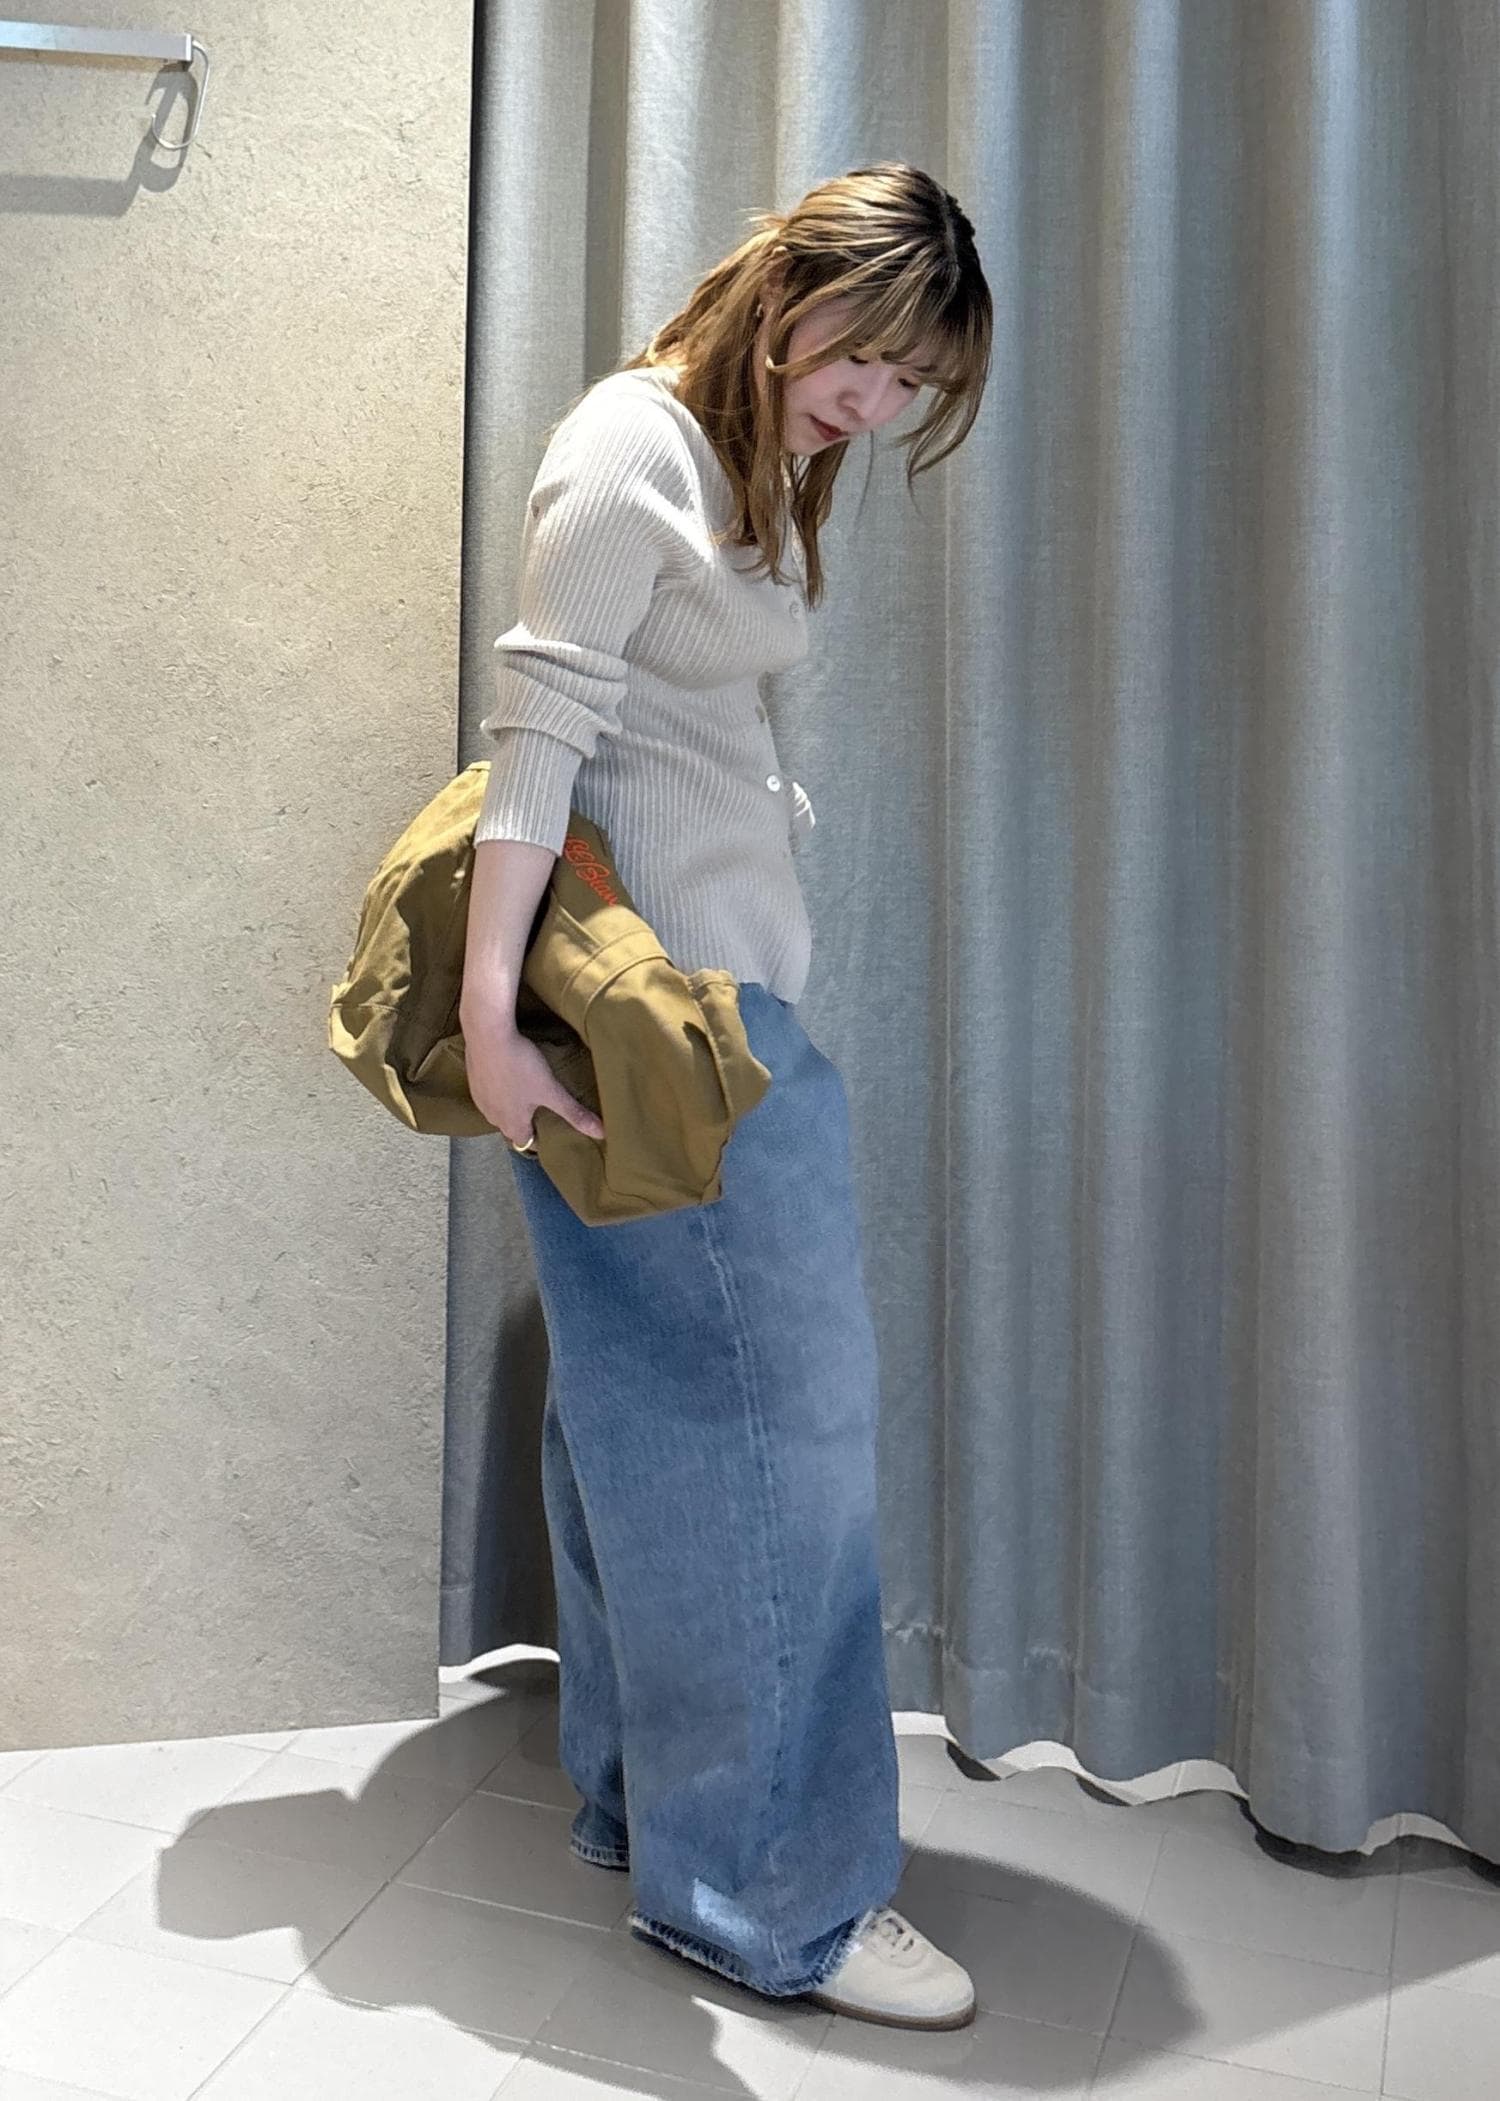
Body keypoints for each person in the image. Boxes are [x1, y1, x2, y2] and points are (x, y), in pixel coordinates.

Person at [459, 161, 992, 2030]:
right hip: (670, 1021)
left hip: (698, 1000)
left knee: (646, 1418)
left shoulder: (734, 460)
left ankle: (653, 1811)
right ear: (791, 288)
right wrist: (492, 1017)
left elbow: (662, 729)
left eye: (915, 384)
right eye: (869, 357)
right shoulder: (634, 451)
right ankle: (779, 1901)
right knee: (783, 1438)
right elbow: (538, 736)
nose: (881, 406)